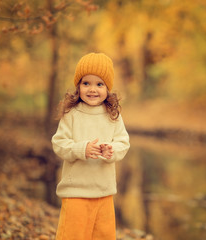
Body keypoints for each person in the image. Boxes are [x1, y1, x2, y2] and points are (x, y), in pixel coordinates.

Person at [51, 52, 130, 240]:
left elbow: (123, 142)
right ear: (78, 86)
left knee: (103, 236)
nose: (92, 89)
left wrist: (112, 150)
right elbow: (59, 144)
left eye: (99, 84)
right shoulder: (71, 113)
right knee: (72, 235)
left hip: (104, 191)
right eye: (86, 83)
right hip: (76, 192)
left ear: (107, 88)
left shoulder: (113, 115)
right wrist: (81, 149)